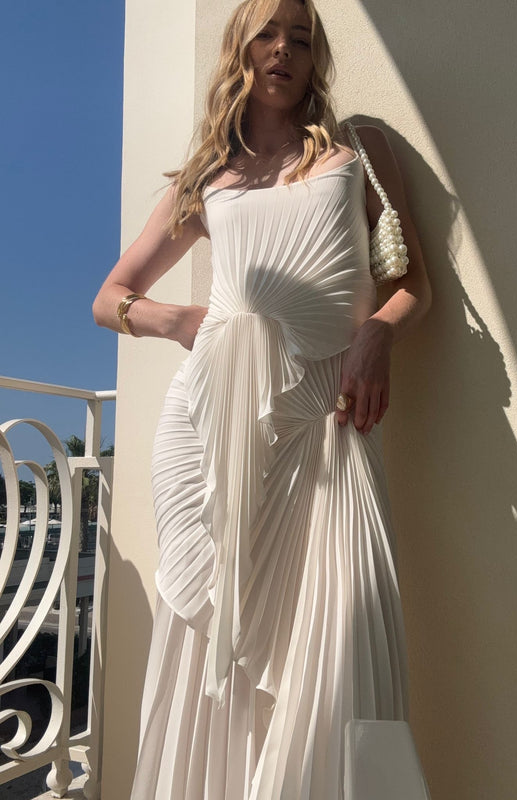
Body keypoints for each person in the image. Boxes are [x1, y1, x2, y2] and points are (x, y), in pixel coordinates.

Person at [93, 0, 431, 796]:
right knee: (216, 637)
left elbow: (416, 283)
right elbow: (109, 297)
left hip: (327, 418)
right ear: (239, 50)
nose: (285, 50)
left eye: (302, 39)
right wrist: (176, 319)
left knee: (340, 634)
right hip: (213, 427)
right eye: (268, 34)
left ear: (316, 59)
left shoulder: (360, 150)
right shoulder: (209, 175)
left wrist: (377, 334)